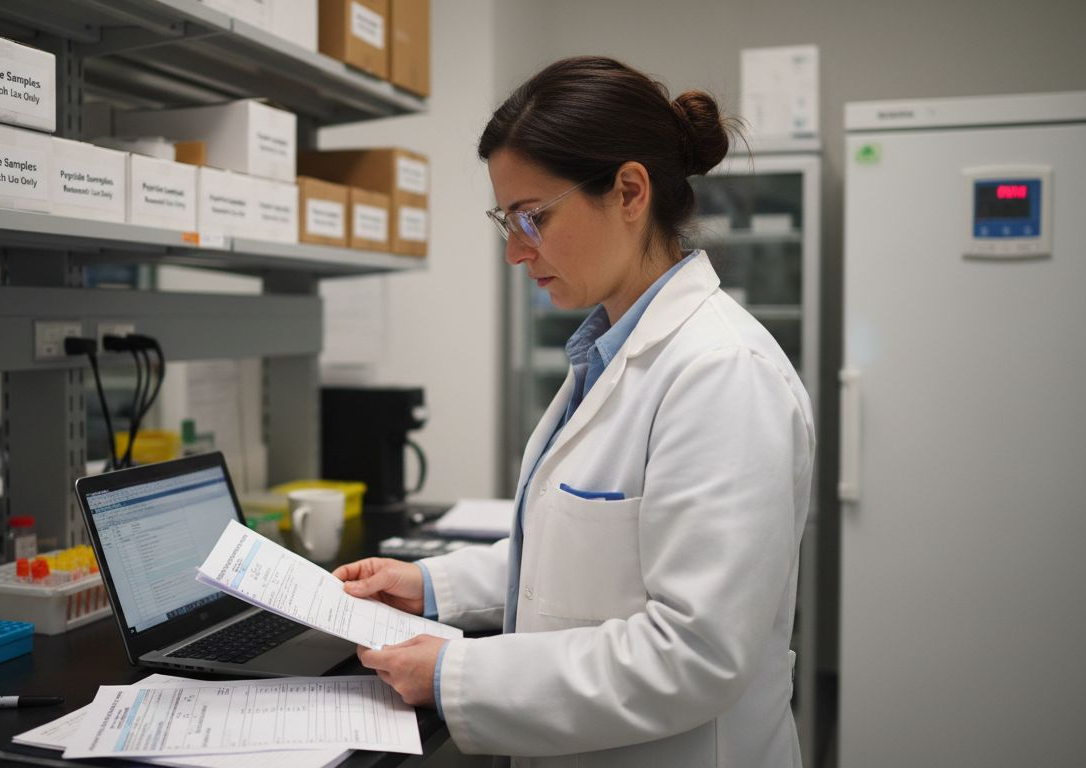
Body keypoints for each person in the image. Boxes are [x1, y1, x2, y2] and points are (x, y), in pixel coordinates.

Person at [333, 55, 815, 768]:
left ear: (628, 191)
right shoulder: (610, 351)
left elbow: (696, 652)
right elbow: (578, 560)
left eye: (533, 217)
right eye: (506, 218)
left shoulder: (722, 374)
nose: (513, 251)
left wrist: (453, 672)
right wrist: (433, 585)